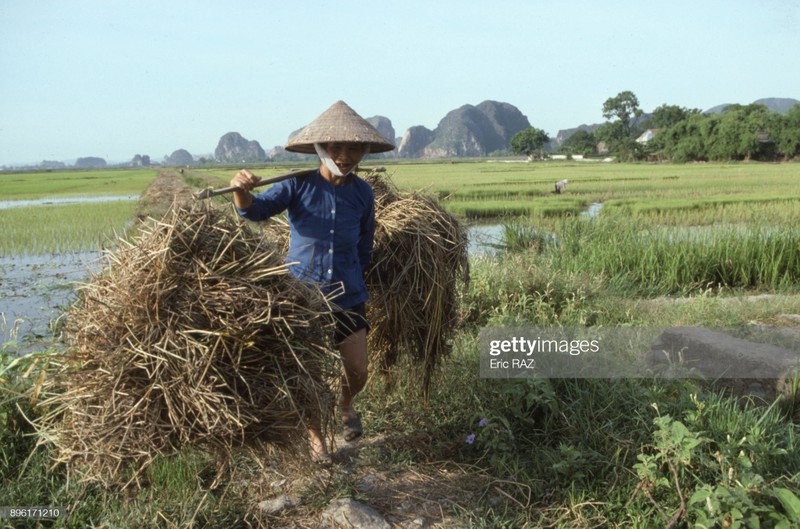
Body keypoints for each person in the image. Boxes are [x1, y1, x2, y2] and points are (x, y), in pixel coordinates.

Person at [229, 100, 395, 464]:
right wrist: (241, 188)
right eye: (336, 147)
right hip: (302, 294)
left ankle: (346, 404)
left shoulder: (363, 193)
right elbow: (253, 211)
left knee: (358, 369)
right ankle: (316, 440)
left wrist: (359, 276)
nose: (345, 155)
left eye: (353, 148)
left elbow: (365, 244)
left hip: (348, 293)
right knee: (309, 373)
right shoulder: (297, 185)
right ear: (320, 149)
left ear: (364, 151)